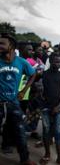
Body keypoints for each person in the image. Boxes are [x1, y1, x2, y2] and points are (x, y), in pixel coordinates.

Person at [0, 33, 37, 165]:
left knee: (20, 132)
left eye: (2, 43)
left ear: (11, 46)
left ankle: (25, 159)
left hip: (13, 103)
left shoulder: (21, 62)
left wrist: (24, 90)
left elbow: (33, 74)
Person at [40, 53, 60, 165]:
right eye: (56, 61)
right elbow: (40, 89)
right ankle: (47, 154)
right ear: (50, 62)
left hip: (58, 108)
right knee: (46, 130)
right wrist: (42, 100)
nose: (58, 64)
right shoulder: (44, 74)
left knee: (57, 131)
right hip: (45, 107)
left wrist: (59, 106)